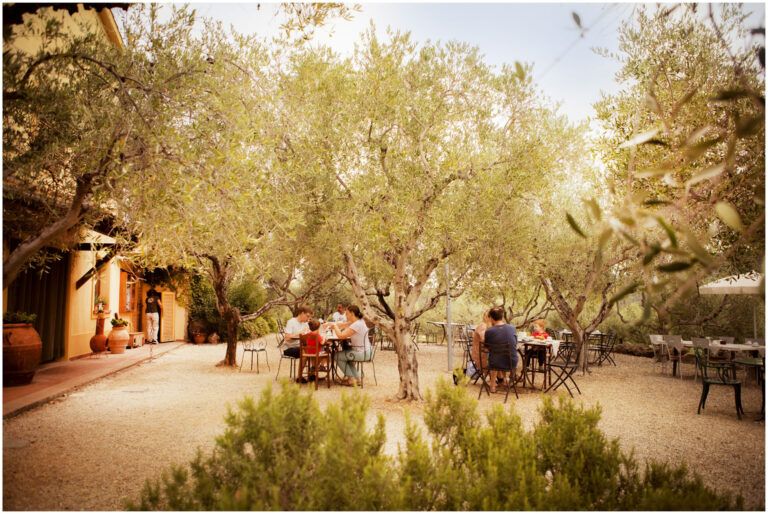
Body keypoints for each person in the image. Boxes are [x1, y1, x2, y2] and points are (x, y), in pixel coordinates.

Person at [331, 305, 370, 386]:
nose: (345, 315)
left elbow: (341, 335)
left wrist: (334, 326)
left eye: (347, 313)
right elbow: (343, 325)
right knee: (346, 355)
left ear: (352, 313)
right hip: (367, 351)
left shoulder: (356, 325)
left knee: (336, 356)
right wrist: (332, 324)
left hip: (361, 353)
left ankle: (351, 379)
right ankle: (356, 378)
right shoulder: (360, 321)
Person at [483, 306, 518, 393]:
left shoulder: (489, 331)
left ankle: (492, 386)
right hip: (511, 362)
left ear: (491, 318)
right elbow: (515, 343)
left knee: (494, 356)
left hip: (496, 363)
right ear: (502, 317)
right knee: (503, 354)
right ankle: (506, 380)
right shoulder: (512, 328)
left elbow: (486, 348)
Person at [297, 319, 328, 383]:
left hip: (308, 352)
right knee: (327, 354)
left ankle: (313, 369)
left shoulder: (308, 334)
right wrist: (324, 338)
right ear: (319, 327)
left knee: (317, 355)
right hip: (316, 353)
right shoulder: (317, 335)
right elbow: (322, 343)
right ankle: (320, 366)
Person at [471, 310, 492, 375]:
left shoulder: (486, 326)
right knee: (499, 357)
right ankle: (503, 378)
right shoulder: (483, 326)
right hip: (481, 355)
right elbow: (484, 340)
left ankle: (502, 378)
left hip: (482, 353)